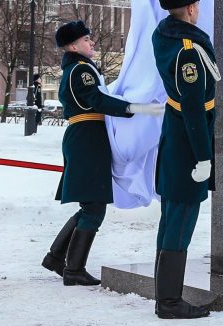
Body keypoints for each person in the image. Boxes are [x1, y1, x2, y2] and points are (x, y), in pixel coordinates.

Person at [46, 20, 163, 286]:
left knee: (90, 204)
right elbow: (96, 100)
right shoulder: (80, 70)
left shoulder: (80, 68)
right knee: (94, 207)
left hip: (87, 137)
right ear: (73, 46)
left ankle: (56, 257)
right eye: (87, 40)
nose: (92, 43)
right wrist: (136, 108)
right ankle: (73, 269)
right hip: (87, 138)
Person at [152, 0, 218, 319]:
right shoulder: (187, 51)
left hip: (174, 138)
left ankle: (165, 295)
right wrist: (205, 157)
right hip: (187, 146)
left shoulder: (164, 36)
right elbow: (193, 109)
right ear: (191, 8)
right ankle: (169, 302)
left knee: (171, 218)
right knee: (180, 220)